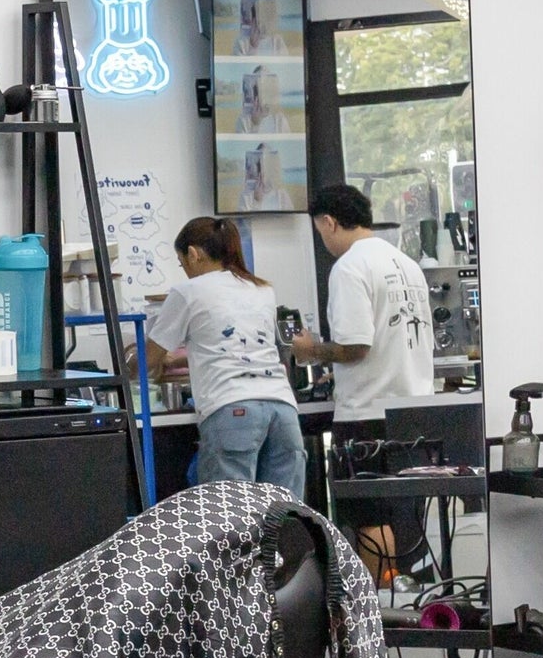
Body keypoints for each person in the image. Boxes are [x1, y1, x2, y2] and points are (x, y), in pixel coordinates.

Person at [145, 215, 301, 496]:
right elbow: (237, 349)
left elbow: (148, 360)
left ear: (193, 254)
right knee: (285, 518)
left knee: (229, 522)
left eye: (183, 264)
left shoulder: (188, 291)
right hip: (283, 410)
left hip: (232, 409)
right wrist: (180, 360)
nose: (185, 271)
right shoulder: (261, 288)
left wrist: (129, 362)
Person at [294, 181, 435, 425]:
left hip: (368, 417)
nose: (324, 241)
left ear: (330, 222)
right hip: (418, 411)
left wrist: (310, 350)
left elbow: (355, 347)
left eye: (320, 232)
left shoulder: (349, 267)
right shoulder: (408, 264)